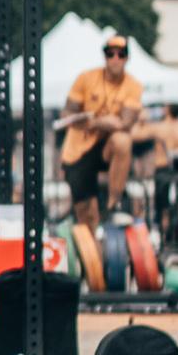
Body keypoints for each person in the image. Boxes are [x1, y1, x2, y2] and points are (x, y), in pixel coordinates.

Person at [60, 34, 143, 230]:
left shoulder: (133, 85)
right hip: (78, 151)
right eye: (110, 54)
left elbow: (126, 123)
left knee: (122, 140)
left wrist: (95, 122)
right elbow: (67, 113)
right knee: (87, 220)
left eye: (121, 54)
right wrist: (100, 122)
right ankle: (89, 249)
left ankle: (115, 202)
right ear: (104, 56)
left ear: (127, 58)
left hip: (105, 149)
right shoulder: (86, 78)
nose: (115, 59)